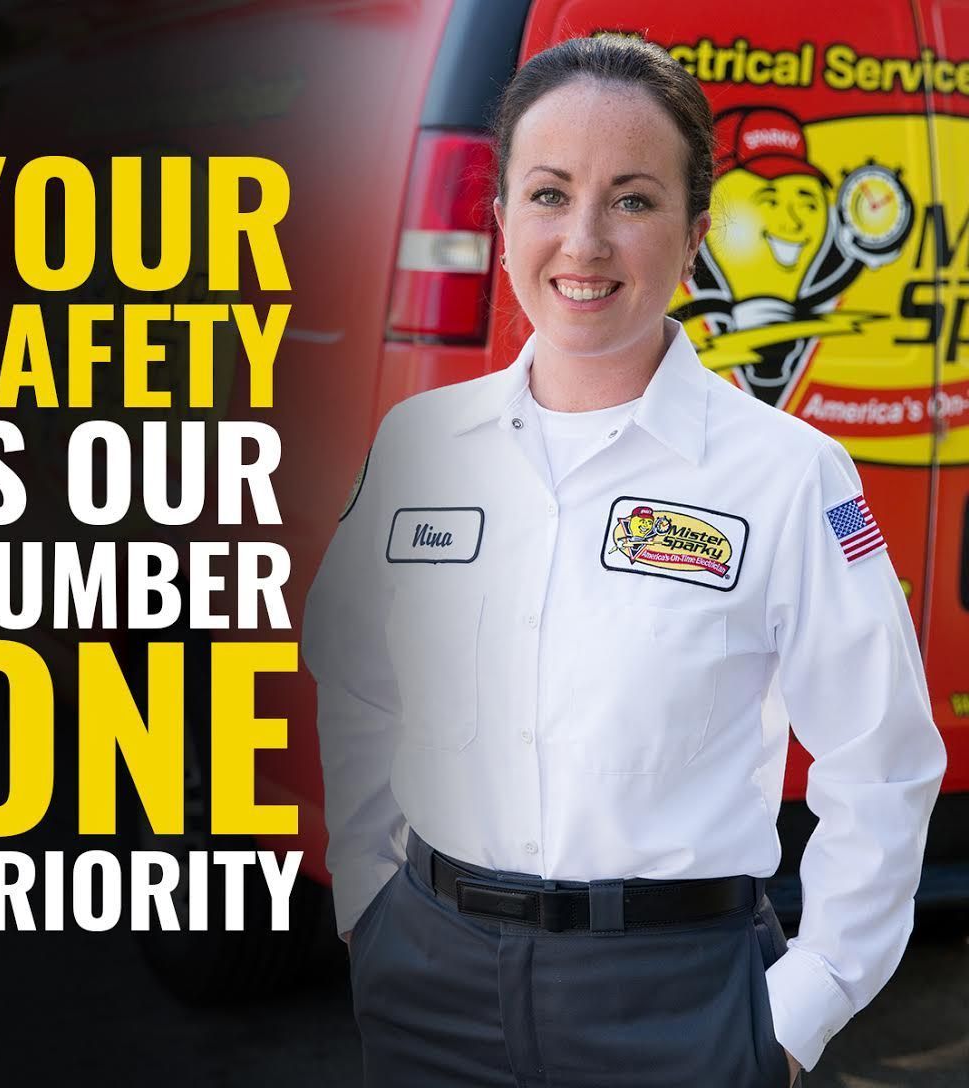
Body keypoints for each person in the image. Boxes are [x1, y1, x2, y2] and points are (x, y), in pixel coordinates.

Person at [301, 35, 946, 1088]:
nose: (584, 240)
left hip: (676, 1003)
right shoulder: (418, 443)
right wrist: (369, 906)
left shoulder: (787, 475)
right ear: (502, 220)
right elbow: (357, 681)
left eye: (633, 200)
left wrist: (798, 1008)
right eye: (549, 194)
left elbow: (881, 763)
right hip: (429, 981)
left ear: (694, 234)